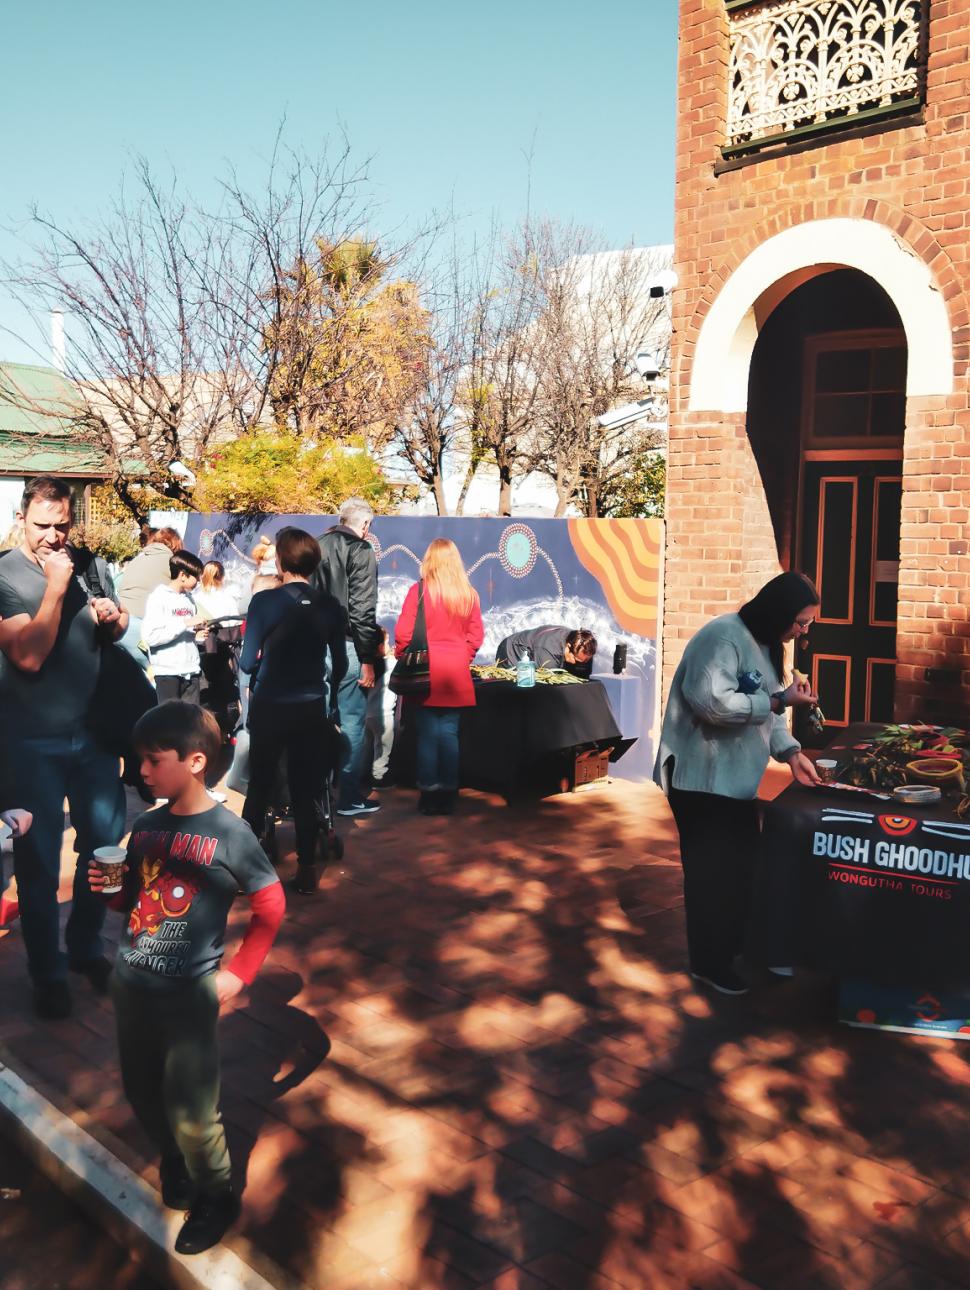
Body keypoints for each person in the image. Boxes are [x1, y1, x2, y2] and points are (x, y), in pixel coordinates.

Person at [88, 702, 285, 1255]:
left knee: (195, 1112)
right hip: (132, 985)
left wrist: (239, 974)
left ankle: (217, 1195)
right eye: (138, 760)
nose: (142, 772)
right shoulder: (146, 827)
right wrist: (108, 889)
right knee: (142, 1091)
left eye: (153, 761)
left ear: (195, 761)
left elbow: (270, 904)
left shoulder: (230, 833)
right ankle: (174, 1162)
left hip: (188, 996)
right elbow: (127, 904)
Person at [653, 571, 822, 996]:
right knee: (712, 875)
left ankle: (731, 947)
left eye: (808, 625)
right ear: (779, 611)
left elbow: (769, 713)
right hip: (702, 780)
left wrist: (792, 754)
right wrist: (781, 699)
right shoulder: (722, 637)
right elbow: (713, 704)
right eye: (800, 623)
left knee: (741, 870)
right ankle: (709, 963)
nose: (802, 634)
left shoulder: (767, 645)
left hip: (737, 782)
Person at [0, 475, 128, 1019]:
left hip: (94, 736)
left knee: (105, 847)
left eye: (62, 525)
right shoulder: (4, 574)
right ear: (23, 519)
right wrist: (56, 587)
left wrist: (114, 619)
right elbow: (27, 656)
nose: (53, 537)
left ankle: (83, 947)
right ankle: (47, 972)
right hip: (31, 744)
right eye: (42, 526)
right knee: (38, 865)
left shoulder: (90, 563)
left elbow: (114, 631)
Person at [240, 528, 347, 894]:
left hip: (271, 704)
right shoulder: (331, 606)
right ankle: (306, 869)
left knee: (260, 785)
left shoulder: (264, 603)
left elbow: (245, 660)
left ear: (281, 561)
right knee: (306, 788)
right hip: (310, 706)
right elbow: (343, 662)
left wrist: (261, 670)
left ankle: (243, 869)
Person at [394, 538, 484, 816]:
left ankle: (429, 794)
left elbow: (403, 634)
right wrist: (462, 656)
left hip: (425, 671)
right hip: (455, 672)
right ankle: (448, 792)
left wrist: (403, 657)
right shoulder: (468, 594)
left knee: (427, 736)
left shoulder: (418, 591)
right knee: (449, 734)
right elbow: (476, 636)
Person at [311, 498, 382, 817]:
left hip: (314, 644)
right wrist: (368, 656)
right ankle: (349, 796)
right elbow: (363, 608)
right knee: (352, 720)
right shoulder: (361, 550)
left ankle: (314, 794)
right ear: (365, 525)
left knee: (317, 717)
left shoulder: (315, 545)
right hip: (349, 645)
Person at [142, 550, 207, 704]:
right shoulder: (158, 598)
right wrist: (184, 623)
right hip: (167, 673)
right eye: (196, 577)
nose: (198, 581)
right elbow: (151, 637)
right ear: (183, 575)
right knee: (170, 724)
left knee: (192, 724)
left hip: (191, 670)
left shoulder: (189, 600)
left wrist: (197, 635)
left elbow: (186, 635)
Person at [117, 527, 183, 670]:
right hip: (143, 630)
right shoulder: (172, 564)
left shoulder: (137, 559)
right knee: (158, 678)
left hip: (121, 625)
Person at [496, 626, 598, 678]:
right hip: (510, 652)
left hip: (540, 649)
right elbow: (548, 687)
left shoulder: (583, 647)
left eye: (585, 661)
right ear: (568, 647)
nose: (579, 664)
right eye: (577, 660)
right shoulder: (548, 653)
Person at [365, 627, 398, 788]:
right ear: (380, 646)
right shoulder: (391, 663)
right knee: (383, 749)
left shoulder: (367, 666)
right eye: (387, 642)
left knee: (367, 747)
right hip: (384, 715)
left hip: (366, 714)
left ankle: (362, 776)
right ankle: (379, 777)